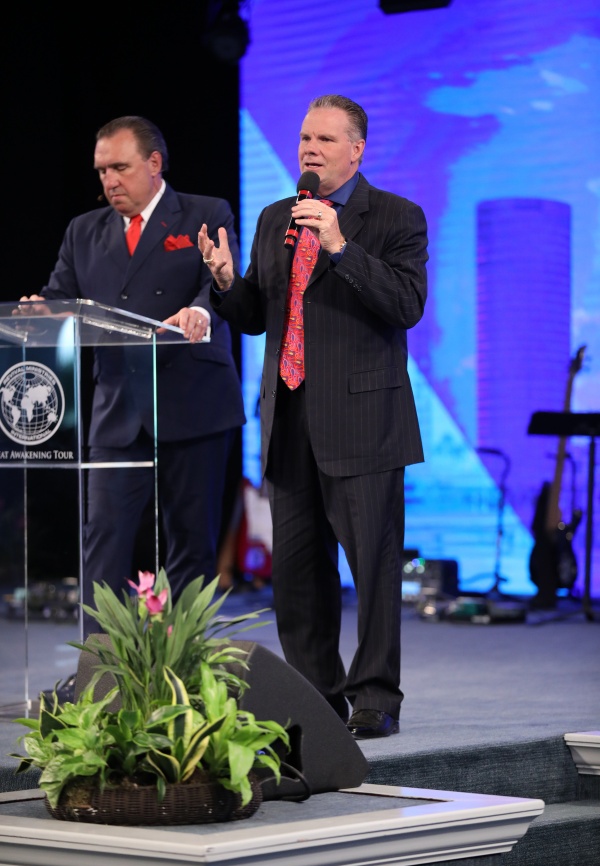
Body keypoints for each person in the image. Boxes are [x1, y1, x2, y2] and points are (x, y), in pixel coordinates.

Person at [167, 94, 428, 739]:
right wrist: (226, 283)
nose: (310, 149)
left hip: (365, 423)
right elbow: (259, 316)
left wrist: (340, 246)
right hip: (289, 420)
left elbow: (406, 304)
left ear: (356, 150)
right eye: (305, 138)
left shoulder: (395, 215)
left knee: (373, 571)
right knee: (299, 577)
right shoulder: (274, 218)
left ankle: (376, 698)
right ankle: (317, 697)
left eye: (325, 140)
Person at [17, 115, 245, 648]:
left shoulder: (205, 213)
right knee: (103, 541)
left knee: (190, 541)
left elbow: (220, 284)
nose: (109, 180)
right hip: (117, 410)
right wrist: (41, 311)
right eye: (102, 171)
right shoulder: (83, 230)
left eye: (119, 167)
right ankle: (97, 669)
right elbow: (61, 296)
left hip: (192, 403)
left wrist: (201, 311)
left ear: (154, 163)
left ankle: (184, 664)